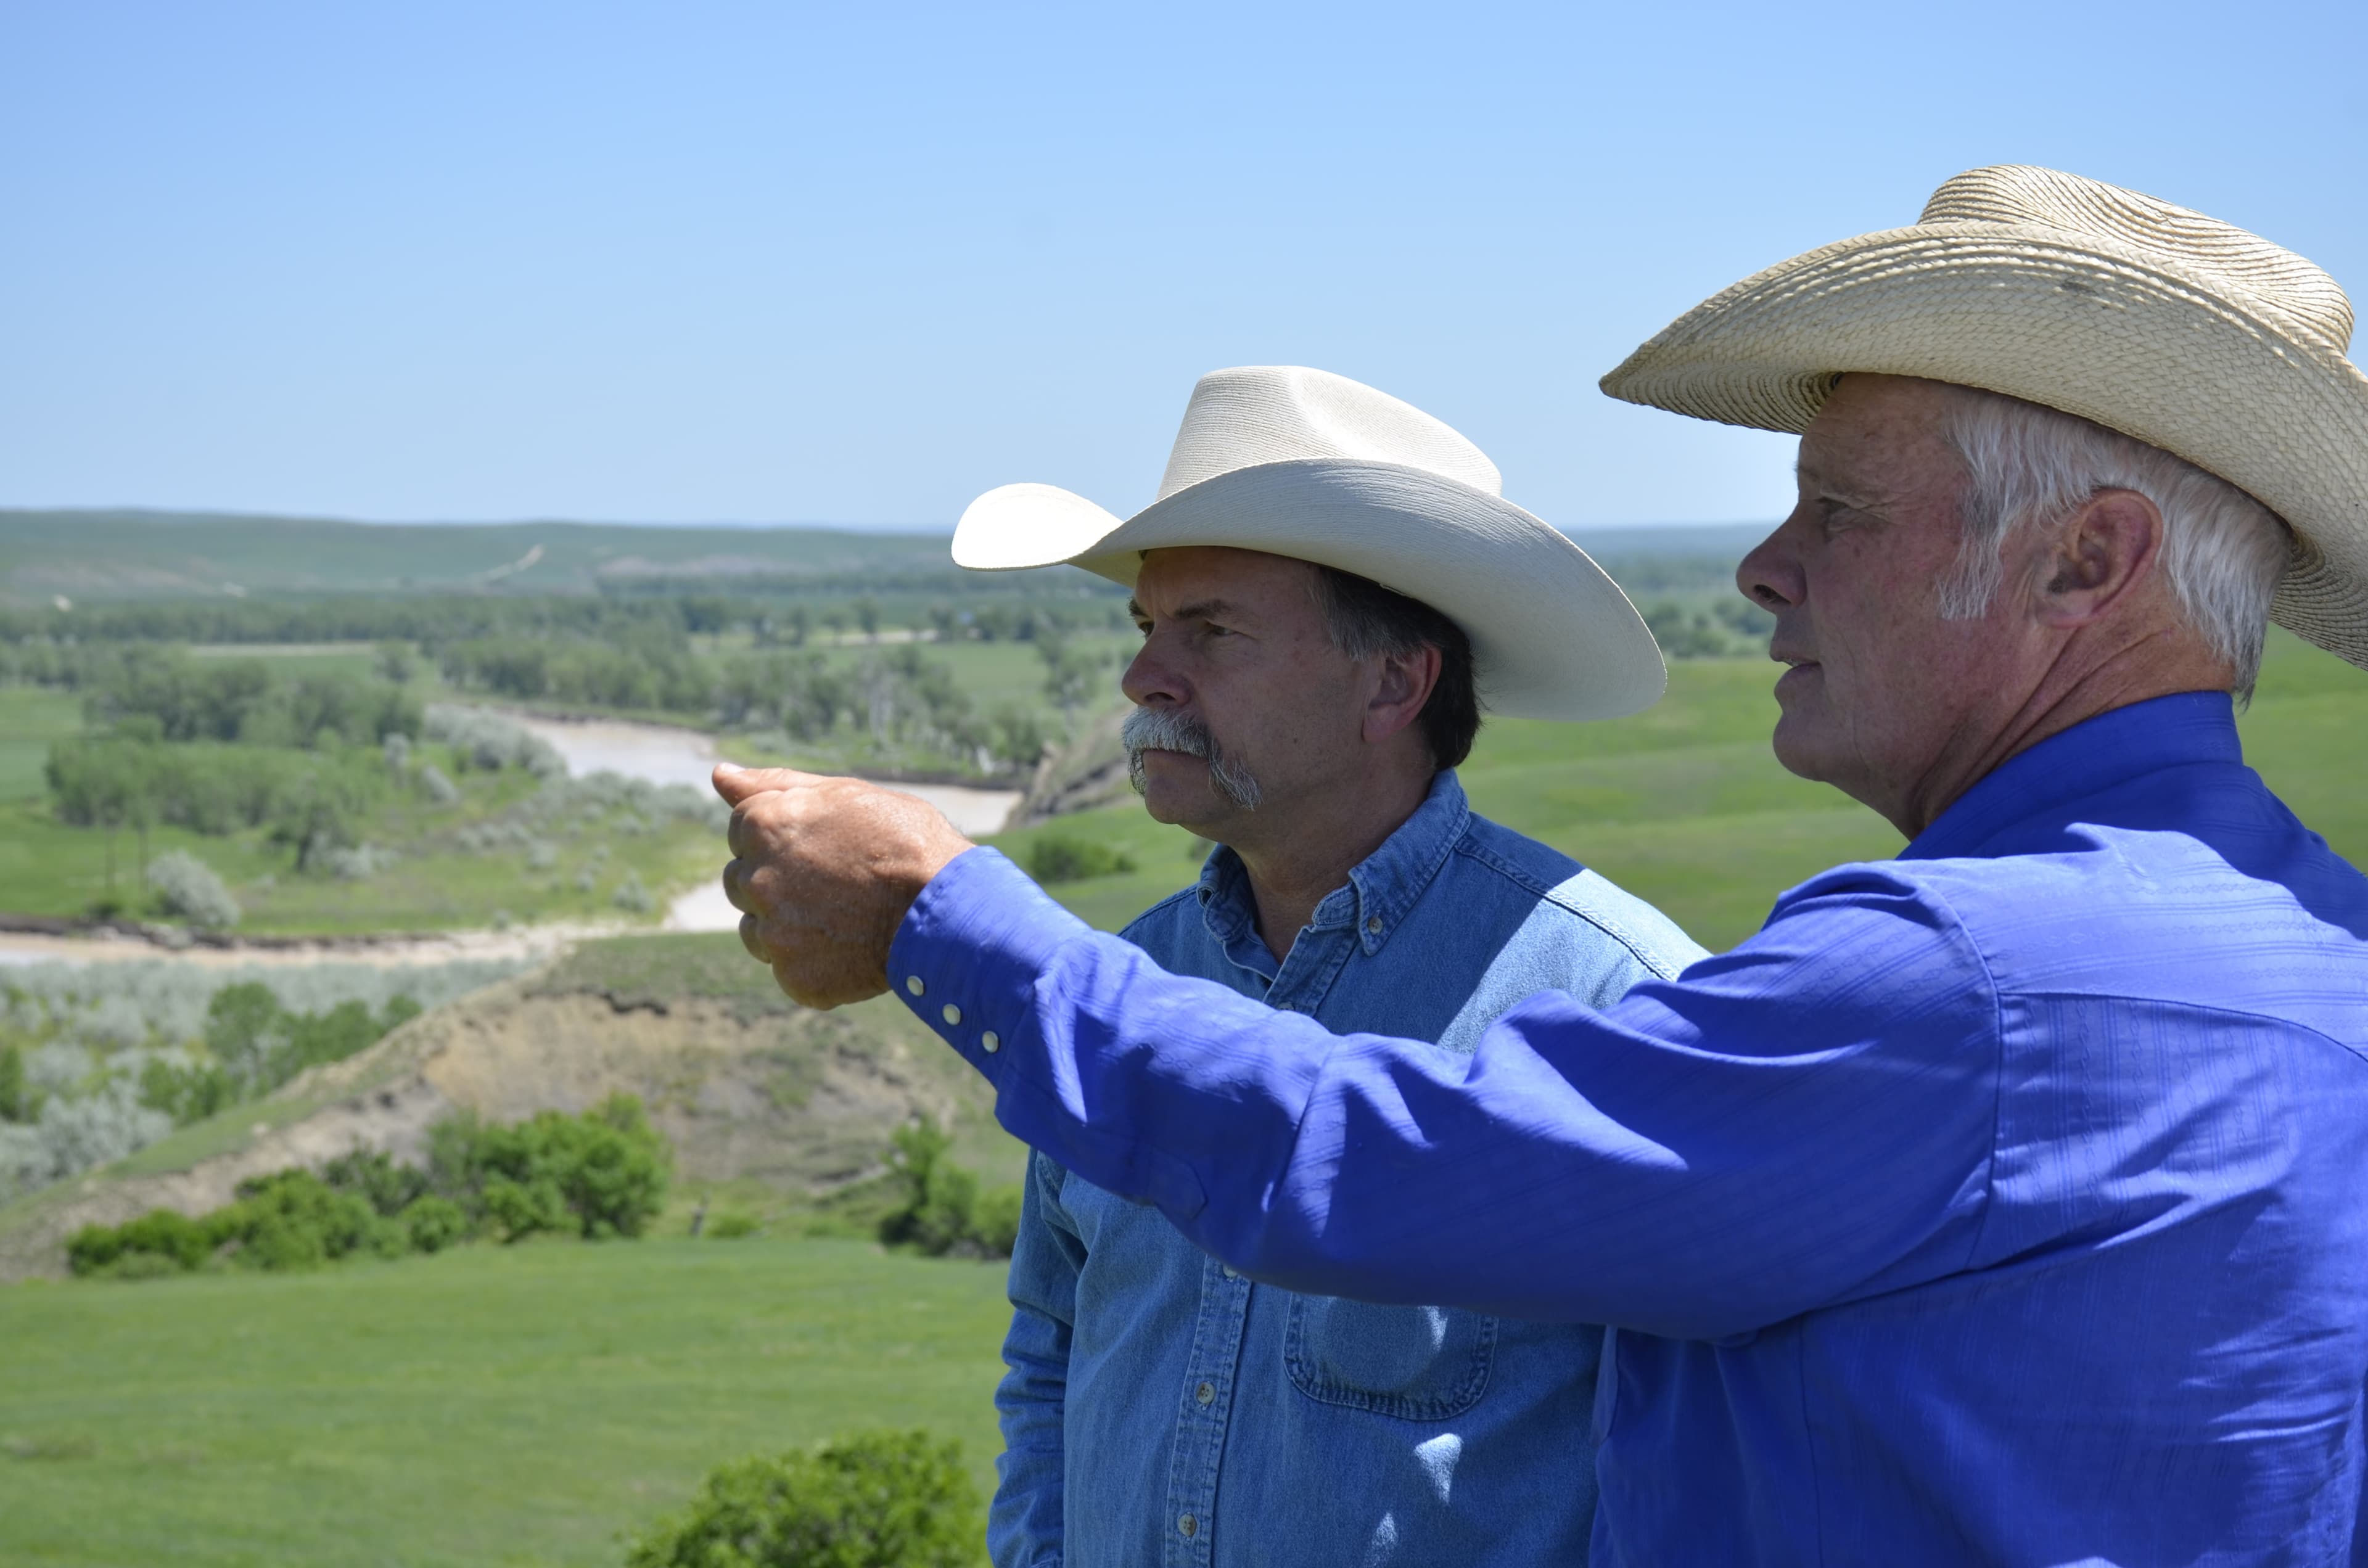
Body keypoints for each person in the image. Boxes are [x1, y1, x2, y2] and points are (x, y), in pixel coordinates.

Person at [718, 166, 2368, 1564]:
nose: (1764, 568)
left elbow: (1369, 1164)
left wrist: (942, 918)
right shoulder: (2326, 950)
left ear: (2089, 558)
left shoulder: (1955, 984)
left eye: (1842, 515)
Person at [958, 365, 1702, 1566]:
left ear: (1394, 682)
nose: (1145, 678)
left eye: (1212, 631)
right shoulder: (1124, 980)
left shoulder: (1612, 1001)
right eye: (1149, 627)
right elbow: (1052, 1341)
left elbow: (1686, 1459)